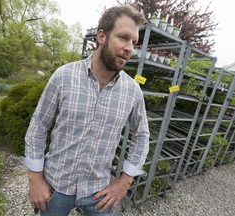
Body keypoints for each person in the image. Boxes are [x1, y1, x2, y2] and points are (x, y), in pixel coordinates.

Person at [20, 4, 150, 216]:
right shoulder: (64, 76)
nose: (129, 48)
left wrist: (124, 182)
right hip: (55, 187)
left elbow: (142, 136)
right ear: (101, 36)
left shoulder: (132, 91)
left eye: (134, 42)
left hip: (99, 191)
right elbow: (38, 126)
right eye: (123, 37)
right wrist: (35, 180)